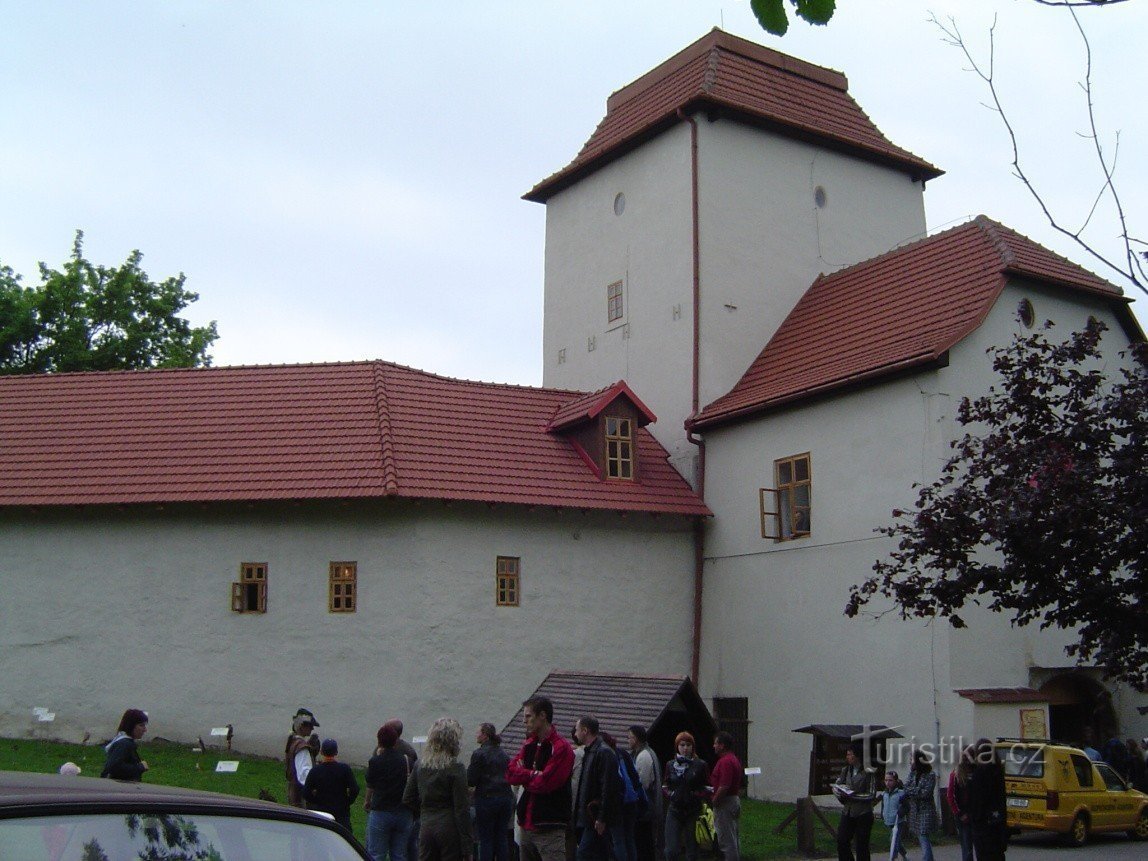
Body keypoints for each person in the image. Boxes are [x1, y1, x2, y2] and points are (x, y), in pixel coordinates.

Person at [507, 696, 575, 861]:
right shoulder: (529, 744)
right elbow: (510, 774)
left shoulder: (561, 748)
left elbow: (545, 784)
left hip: (549, 826)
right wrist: (531, 774)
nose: (524, 721)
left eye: (528, 716)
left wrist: (524, 774)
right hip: (526, 825)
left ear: (542, 716)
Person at [403, 717, 473, 861]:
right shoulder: (456, 767)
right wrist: (467, 847)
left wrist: (424, 812)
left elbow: (408, 798)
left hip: (426, 825)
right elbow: (462, 808)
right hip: (449, 827)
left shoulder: (420, 765)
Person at [573, 717, 621, 861]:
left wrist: (601, 817)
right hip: (589, 816)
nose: (575, 734)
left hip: (594, 816)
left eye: (577, 729)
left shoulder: (603, 752)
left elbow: (609, 787)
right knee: (602, 853)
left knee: (584, 854)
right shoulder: (592, 751)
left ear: (585, 731)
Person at [366, 724, 414, 861]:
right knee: (399, 854)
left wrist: (367, 801)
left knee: (376, 854)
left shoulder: (375, 761)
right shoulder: (407, 761)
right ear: (396, 741)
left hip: (381, 810)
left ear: (379, 741)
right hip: (403, 811)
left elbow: (370, 782)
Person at [468, 722, 514, 861]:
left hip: (486, 799)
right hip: (505, 798)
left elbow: (471, 780)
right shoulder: (504, 754)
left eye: (478, 732)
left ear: (485, 735)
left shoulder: (479, 754)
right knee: (501, 837)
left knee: (486, 839)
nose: (476, 734)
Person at [661, 731, 708, 861]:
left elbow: (707, 786)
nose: (685, 748)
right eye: (682, 745)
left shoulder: (700, 765)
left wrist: (696, 794)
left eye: (688, 745)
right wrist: (672, 794)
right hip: (675, 810)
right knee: (671, 850)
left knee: (692, 851)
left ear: (693, 747)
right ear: (677, 746)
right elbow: (665, 786)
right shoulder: (670, 765)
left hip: (693, 810)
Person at [304, 738, 360, 831]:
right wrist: (347, 801)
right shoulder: (344, 769)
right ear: (336, 752)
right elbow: (355, 789)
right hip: (341, 813)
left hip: (322, 812)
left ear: (321, 752)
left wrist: (316, 801)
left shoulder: (316, 771)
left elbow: (306, 793)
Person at [832, 742, 875, 861]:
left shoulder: (868, 772)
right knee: (842, 840)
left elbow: (871, 794)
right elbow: (838, 785)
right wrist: (838, 792)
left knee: (861, 845)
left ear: (857, 756)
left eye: (850, 754)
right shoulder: (846, 770)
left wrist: (853, 796)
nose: (847, 757)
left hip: (863, 813)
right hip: (848, 811)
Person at [966, 739, 1008, 861]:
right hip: (998, 823)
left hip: (982, 827)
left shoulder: (978, 774)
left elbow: (975, 802)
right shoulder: (998, 771)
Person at [388, 719, 422, 861]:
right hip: (407, 804)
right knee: (408, 844)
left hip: (393, 802)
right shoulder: (409, 750)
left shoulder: (383, 749)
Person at [628, 725, 661, 861]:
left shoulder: (643, 756)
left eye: (630, 737)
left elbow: (643, 783)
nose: (628, 740)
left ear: (636, 739)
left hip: (644, 809)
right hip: (645, 808)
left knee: (643, 844)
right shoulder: (645, 753)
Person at [710, 732, 742, 861]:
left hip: (725, 803)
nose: (714, 746)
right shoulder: (733, 759)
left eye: (716, 743)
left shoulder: (725, 762)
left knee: (726, 841)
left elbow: (724, 785)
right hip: (733, 800)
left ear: (722, 746)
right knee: (733, 837)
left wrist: (715, 800)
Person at [903, 750, 938, 861]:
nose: (910, 762)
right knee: (920, 835)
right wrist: (916, 791)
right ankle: (929, 858)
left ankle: (926, 858)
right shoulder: (912, 773)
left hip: (925, 810)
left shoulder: (930, 774)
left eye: (911, 759)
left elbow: (926, 793)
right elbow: (906, 788)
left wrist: (914, 791)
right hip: (915, 810)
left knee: (923, 834)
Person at [101, 708, 149, 781]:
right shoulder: (124, 744)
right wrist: (140, 767)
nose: (145, 730)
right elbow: (113, 768)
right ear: (131, 726)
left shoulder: (124, 742)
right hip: (119, 789)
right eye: (141, 725)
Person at [285, 708, 320, 808]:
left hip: (293, 795)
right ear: (301, 726)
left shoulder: (293, 742)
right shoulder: (302, 747)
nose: (312, 728)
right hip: (301, 800)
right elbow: (304, 774)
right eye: (309, 726)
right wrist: (315, 789)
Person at [946, 746, 974, 861]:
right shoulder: (956, 775)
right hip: (963, 815)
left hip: (976, 814)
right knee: (967, 846)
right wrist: (959, 813)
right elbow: (950, 796)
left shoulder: (977, 773)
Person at [879, 771, 907, 861]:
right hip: (889, 820)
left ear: (896, 781)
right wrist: (882, 813)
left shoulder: (901, 793)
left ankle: (893, 858)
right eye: (886, 780)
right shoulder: (884, 793)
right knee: (896, 842)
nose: (887, 782)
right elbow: (883, 805)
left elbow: (907, 806)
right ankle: (904, 854)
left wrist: (901, 812)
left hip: (898, 821)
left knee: (893, 841)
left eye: (890, 780)